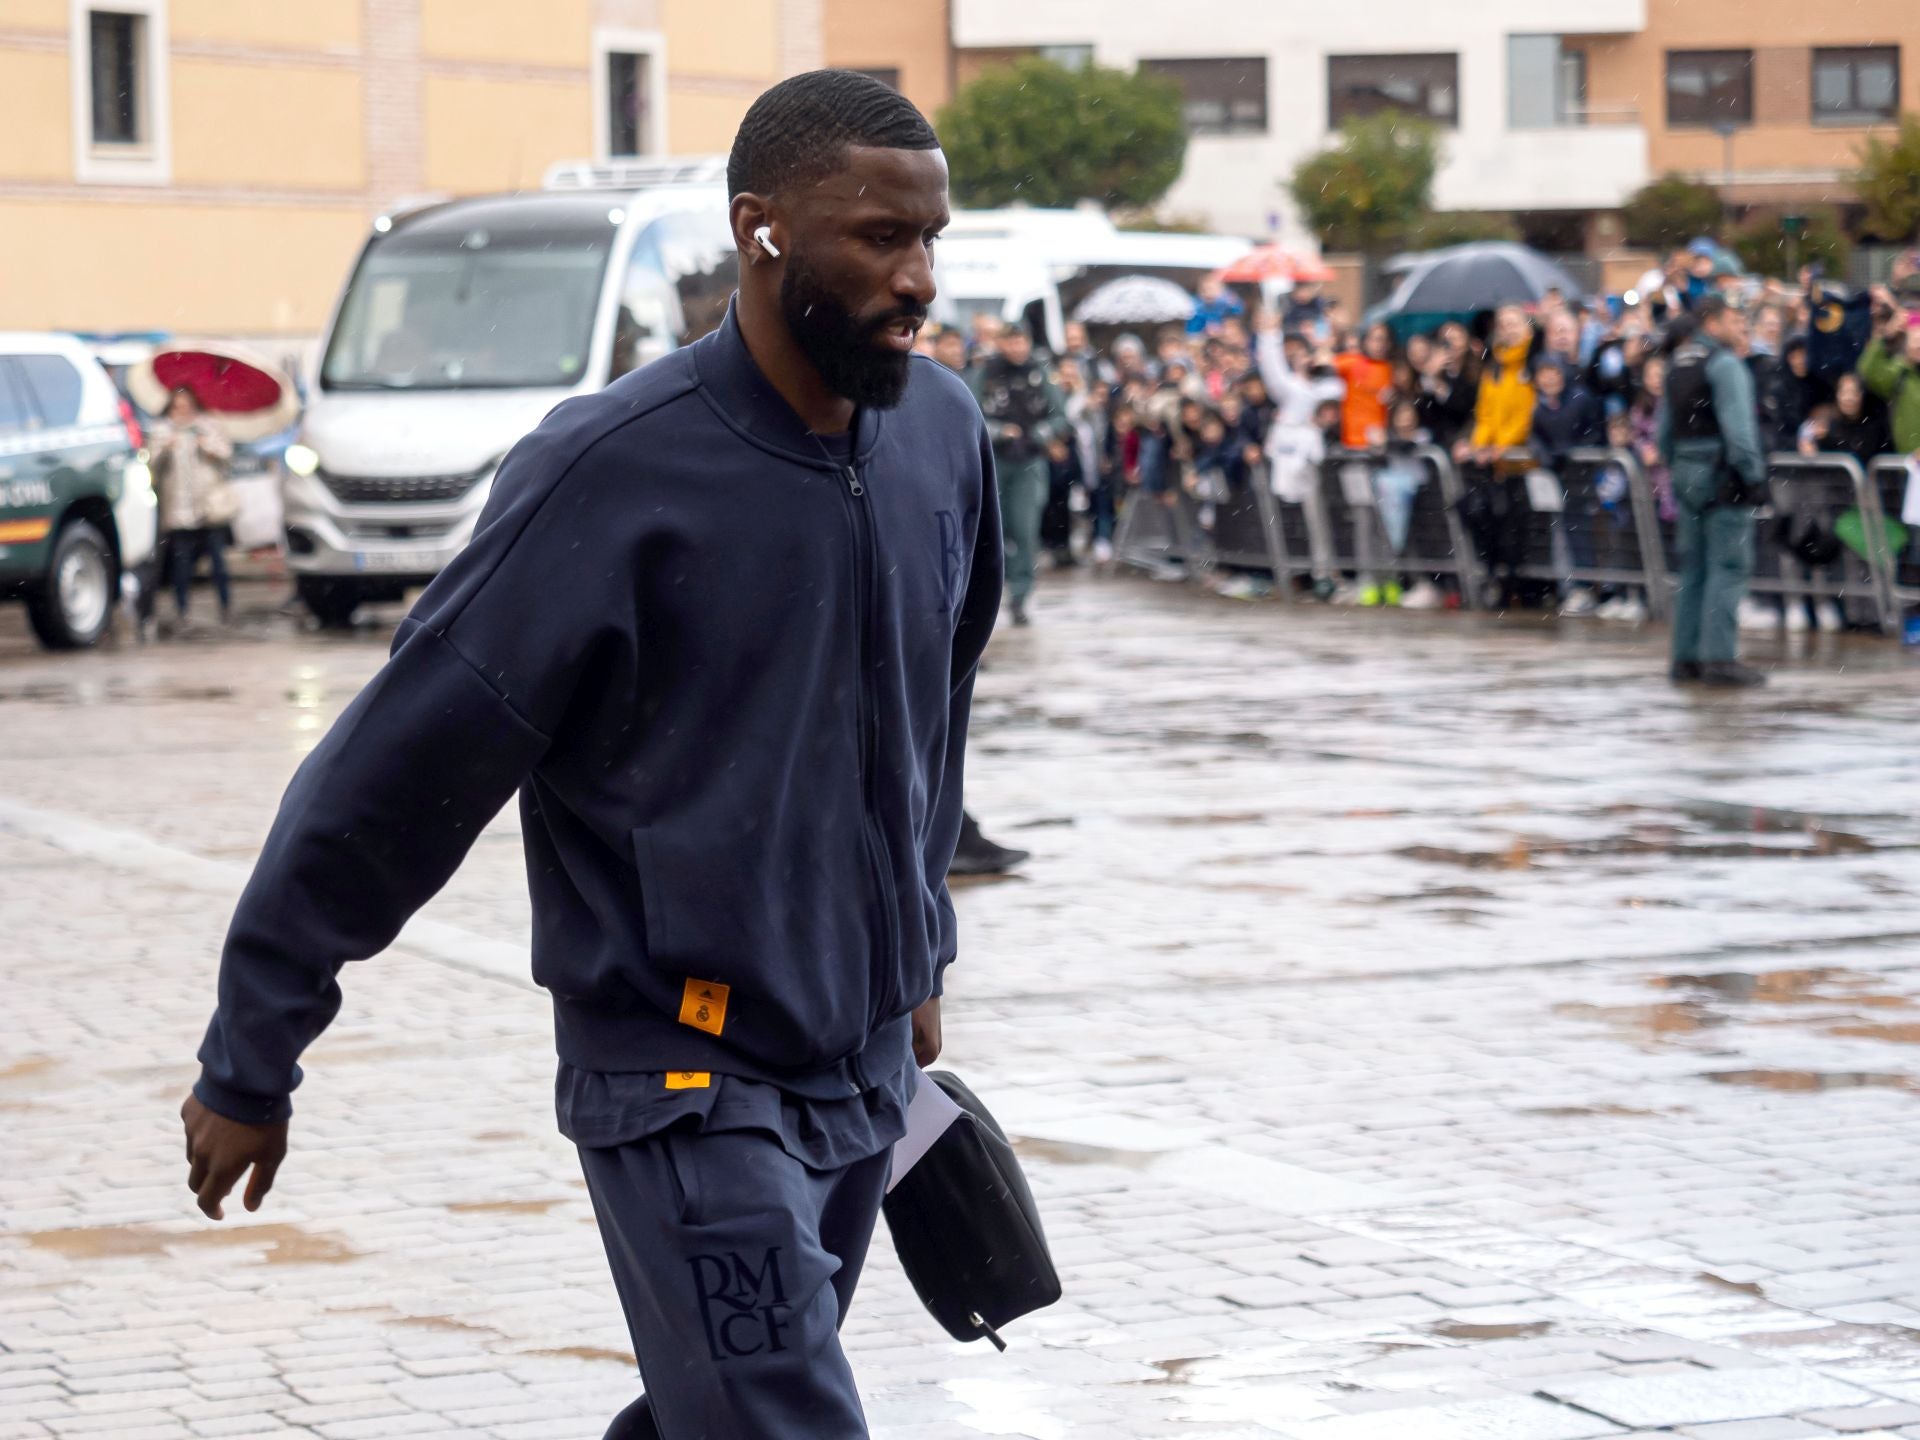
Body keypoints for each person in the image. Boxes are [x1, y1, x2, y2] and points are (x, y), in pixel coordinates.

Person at [178, 71, 1002, 1440]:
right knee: (781, 1419)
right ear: (760, 229)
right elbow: (394, 776)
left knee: (714, 1414)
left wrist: (917, 952)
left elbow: (936, 711)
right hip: (677, 1075)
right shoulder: (608, 471)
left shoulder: (945, 436)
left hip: (862, 1068)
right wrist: (250, 1055)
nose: (917, 278)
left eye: (930, 238)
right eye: (878, 237)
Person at [1660, 294, 1769, 686]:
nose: (1742, 326)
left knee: (1693, 569)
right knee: (1728, 567)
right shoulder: (1725, 365)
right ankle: (1719, 659)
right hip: (1723, 477)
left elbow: (1663, 435)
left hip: (1687, 474)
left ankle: (1686, 658)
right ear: (1712, 322)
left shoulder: (1678, 364)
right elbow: (1740, 433)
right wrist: (1753, 477)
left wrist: (1680, 469)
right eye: (1734, 319)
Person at [967, 321, 1067, 626]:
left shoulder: (1040, 372)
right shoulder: (986, 372)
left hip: (1029, 462)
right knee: (994, 531)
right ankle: (993, 591)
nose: (1017, 347)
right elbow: (970, 412)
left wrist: (1040, 433)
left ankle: (1021, 596)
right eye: (1011, 341)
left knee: (1025, 530)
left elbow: (1061, 417)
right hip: (995, 460)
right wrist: (998, 431)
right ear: (1001, 343)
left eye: (1021, 341)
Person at [149, 386, 236, 630]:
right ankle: (182, 609)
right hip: (179, 508)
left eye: (187, 405)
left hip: (208, 506)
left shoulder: (208, 426)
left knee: (218, 561)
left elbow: (227, 457)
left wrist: (207, 446)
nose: (183, 411)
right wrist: (165, 450)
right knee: (182, 562)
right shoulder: (162, 431)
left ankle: (226, 606)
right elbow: (152, 467)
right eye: (178, 406)